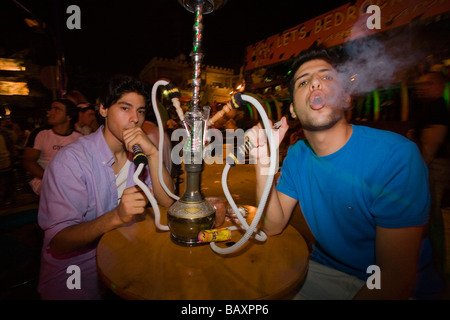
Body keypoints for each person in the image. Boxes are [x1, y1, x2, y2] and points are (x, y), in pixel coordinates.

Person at [250, 46, 444, 299]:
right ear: (293, 111)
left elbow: (395, 278)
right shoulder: (298, 154)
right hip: (324, 269)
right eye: (303, 82)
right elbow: (273, 225)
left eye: (327, 77)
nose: (315, 83)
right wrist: (263, 162)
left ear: (346, 98)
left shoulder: (395, 155)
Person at [37, 75, 175, 300]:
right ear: (103, 109)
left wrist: (154, 154)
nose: (135, 119)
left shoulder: (138, 153)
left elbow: (168, 201)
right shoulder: (70, 161)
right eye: (125, 108)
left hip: (125, 252)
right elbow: (60, 243)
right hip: (76, 265)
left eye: (140, 111)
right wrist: (117, 216)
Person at [407, 70, 450, 276]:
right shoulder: (432, 107)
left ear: (439, 86)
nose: (422, 89)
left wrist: (418, 170)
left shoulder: (438, 108)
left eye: (428, 84)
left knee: (430, 217)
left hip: (432, 168)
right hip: (430, 165)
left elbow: (432, 143)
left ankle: (436, 269)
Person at [23, 99, 82, 195]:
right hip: (43, 181)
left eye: (57, 110)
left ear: (68, 116)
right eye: (51, 109)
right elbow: (29, 161)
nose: (50, 113)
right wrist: (51, 177)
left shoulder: (79, 138)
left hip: (69, 183)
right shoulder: (40, 134)